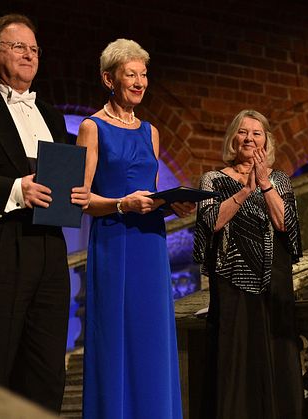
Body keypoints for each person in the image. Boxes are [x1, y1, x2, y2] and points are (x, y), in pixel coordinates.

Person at [0, 14, 90, 412]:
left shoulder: (49, 113)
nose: (28, 55)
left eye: (34, 49)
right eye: (18, 47)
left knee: (46, 368)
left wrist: (76, 192)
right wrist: (15, 188)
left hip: (49, 249)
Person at [75, 38, 193, 419]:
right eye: (131, 74)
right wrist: (122, 204)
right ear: (109, 79)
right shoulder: (92, 128)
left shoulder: (151, 132)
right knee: (115, 337)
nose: (140, 82)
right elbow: (80, 199)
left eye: (144, 74)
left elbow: (151, 190)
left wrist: (169, 203)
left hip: (150, 243)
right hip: (114, 242)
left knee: (151, 339)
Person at [193, 109, 304, 419]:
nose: (250, 138)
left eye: (257, 133)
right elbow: (211, 222)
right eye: (243, 132)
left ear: (266, 142)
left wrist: (265, 184)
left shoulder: (279, 180)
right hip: (231, 279)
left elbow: (286, 225)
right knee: (235, 359)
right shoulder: (213, 179)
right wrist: (245, 190)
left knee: (275, 357)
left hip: (274, 281)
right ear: (233, 139)